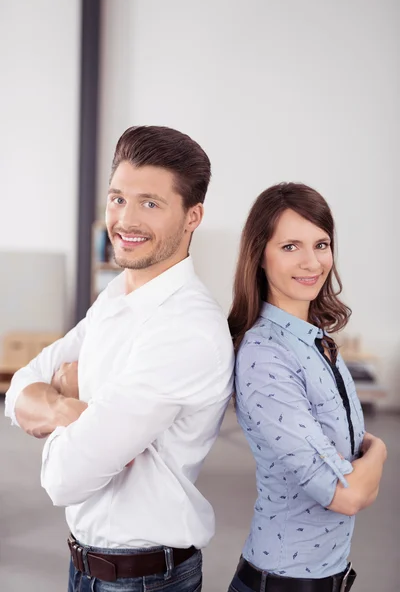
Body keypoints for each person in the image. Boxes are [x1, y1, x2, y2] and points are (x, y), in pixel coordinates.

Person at [5, 125, 234, 592]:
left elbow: (63, 479)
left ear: (193, 216)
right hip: (86, 566)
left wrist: (66, 390)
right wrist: (72, 408)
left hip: (145, 579)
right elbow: (20, 388)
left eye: (150, 203)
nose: (125, 220)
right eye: (117, 199)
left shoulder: (186, 328)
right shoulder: (116, 295)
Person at [227, 183, 387, 592]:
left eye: (321, 244)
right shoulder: (266, 355)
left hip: (325, 575)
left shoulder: (314, 339)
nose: (312, 262)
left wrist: (357, 459)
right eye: (290, 247)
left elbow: (347, 446)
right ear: (259, 256)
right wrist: (381, 450)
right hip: (282, 581)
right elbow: (345, 494)